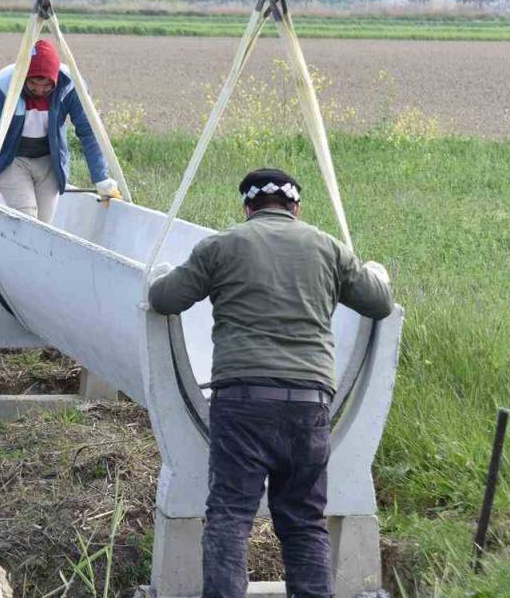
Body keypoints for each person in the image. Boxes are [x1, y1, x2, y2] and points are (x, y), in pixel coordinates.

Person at [146, 168, 394, 598]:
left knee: (229, 517)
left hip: (241, 403)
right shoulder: (328, 247)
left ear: (248, 208)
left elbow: (165, 298)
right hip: (309, 404)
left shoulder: (221, 246)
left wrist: (161, 275)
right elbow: (379, 302)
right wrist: (377, 272)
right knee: (304, 521)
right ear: (296, 207)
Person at [0, 39, 121, 222]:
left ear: (55, 80)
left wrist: (102, 179)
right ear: (25, 76)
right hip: (12, 160)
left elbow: (89, 132)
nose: (40, 90)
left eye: (47, 85)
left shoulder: (70, 85)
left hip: (48, 161)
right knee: (27, 218)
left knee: (43, 224)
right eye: (34, 84)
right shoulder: (3, 85)